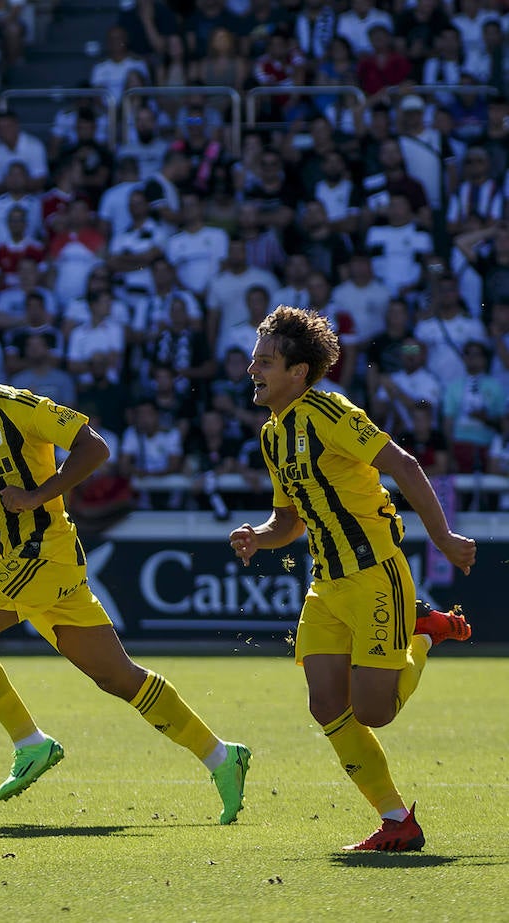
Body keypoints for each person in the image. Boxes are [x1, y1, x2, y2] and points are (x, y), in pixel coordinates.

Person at [0, 311, 250, 822]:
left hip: (43, 552)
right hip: (30, 563)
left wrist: (39, 495)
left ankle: (30, 743)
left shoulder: (20, 407)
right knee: (119, 678)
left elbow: (95, 446)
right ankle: (223, 756)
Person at [228, 306, 476, 852]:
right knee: (325, 706)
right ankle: (396, 822)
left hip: (374, 576)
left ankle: (425, 632)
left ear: (299, 372)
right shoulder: (273, 435)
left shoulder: (331, 412)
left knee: (373, 712)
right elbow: (288, 521)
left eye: (265, 361)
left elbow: (405, 466)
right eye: (254, 360)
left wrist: (443, 539)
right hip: (325, 585)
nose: (254, 370)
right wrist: (259, 536)